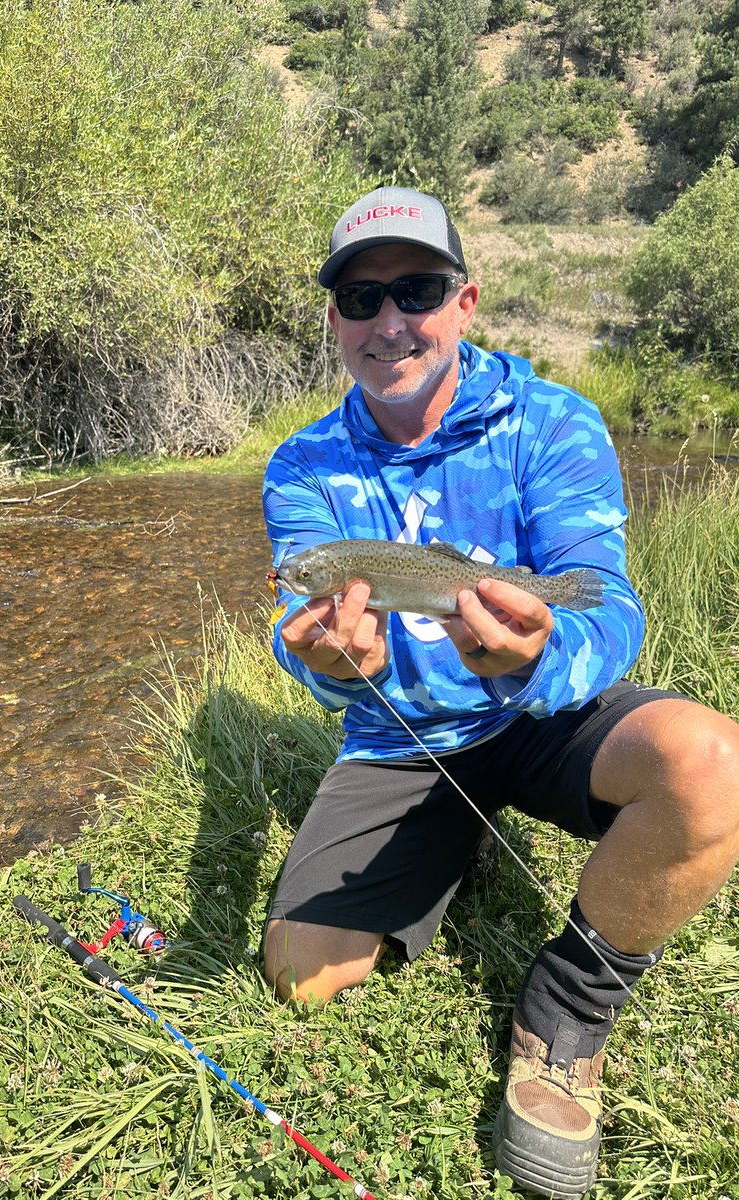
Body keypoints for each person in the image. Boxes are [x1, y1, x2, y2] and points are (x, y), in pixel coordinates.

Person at [261, 185, 739, 1198]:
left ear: (465, 302)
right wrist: (331, 664)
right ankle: (456, 839)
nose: (390, 320)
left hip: (538, 713)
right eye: (360, 300)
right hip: (403, 739)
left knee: (712, 764)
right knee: (301, 978)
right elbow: (296, 626)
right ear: (335, 322)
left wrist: (530, 653)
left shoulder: (552, 421)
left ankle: (569, 1007)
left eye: (418, 290)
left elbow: (606, 604)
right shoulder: (301, 465)